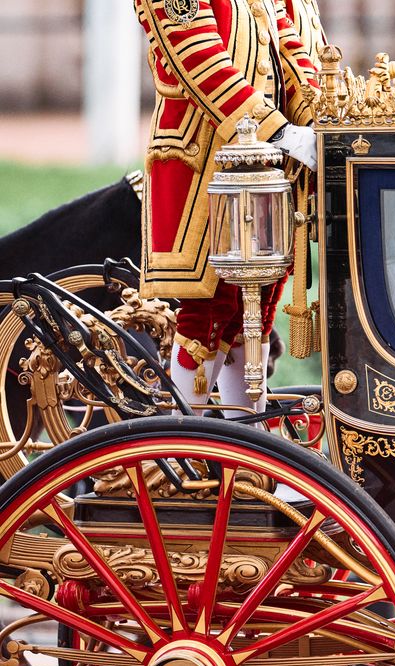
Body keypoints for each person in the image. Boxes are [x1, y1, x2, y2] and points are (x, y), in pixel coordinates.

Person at [134, 0, 321, 412]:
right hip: (205, 164)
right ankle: (186, 442)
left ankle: (246, 446)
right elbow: (195, 53)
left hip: (266, 165)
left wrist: (317, 118)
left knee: (252, 310)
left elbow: (287, 45)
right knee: (206, 312)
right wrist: (279, 130)